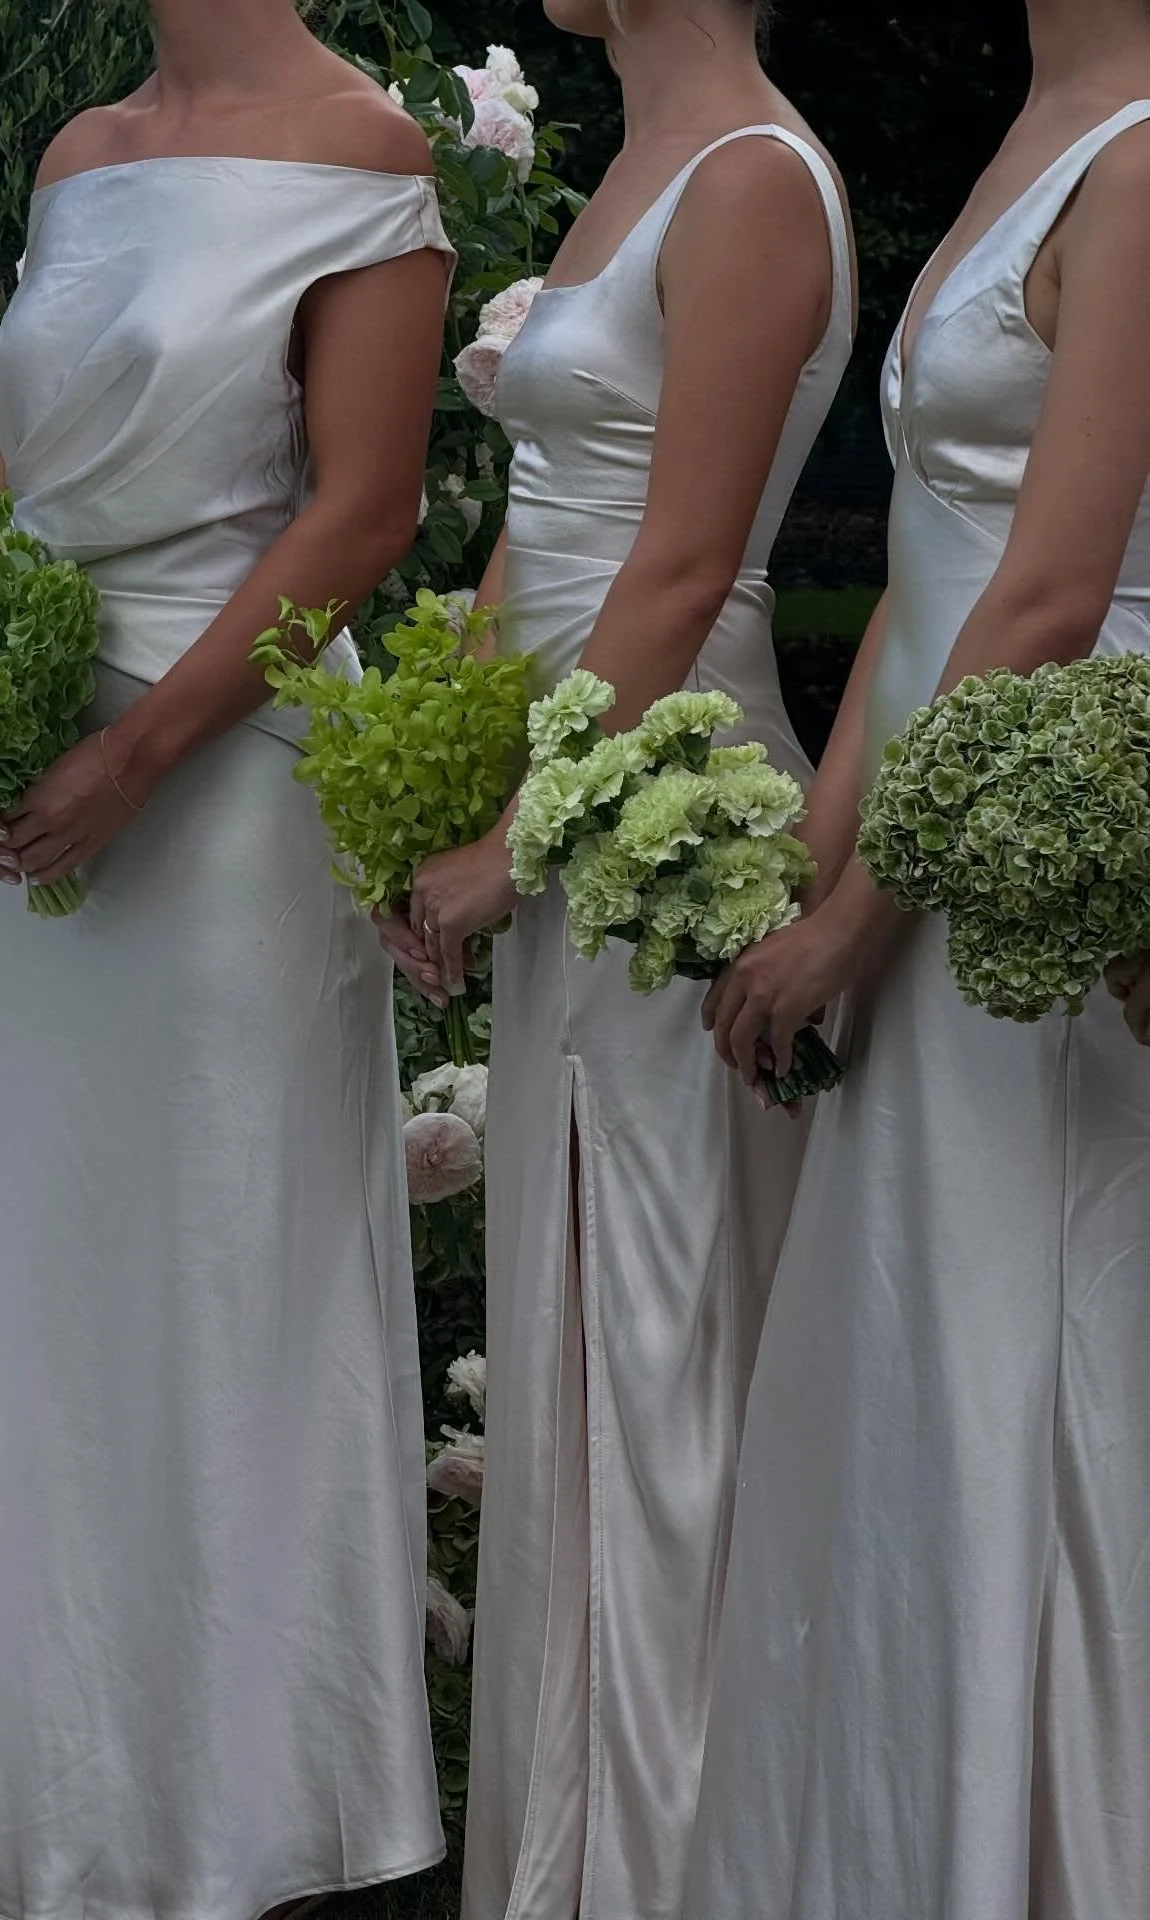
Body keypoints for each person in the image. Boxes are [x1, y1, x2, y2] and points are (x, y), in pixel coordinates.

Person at [0, 5, 454, 1918]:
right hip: (55, 775)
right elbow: (18, 482)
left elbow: (365, 511)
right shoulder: (80, 153)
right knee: (71, 1285)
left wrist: (135, 754)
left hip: (228, 785)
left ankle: (262, 1822)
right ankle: (66, 1812)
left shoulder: (366, 149)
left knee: (237, 1276)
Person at [379, 3, 854, 1915]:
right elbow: (546, 531)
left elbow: (681, 563)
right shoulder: (642, 167)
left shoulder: (753, 179)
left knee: (666, 1345)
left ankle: (675, 1860)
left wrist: (516, 840)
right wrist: (426, 776)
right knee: (577, 1323)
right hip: (569, 784)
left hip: (672, 809)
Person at [691, 2, 1150, 1913]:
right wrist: (804, 877)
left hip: (1054, 839)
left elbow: (1050, 592)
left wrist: (865, 916)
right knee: (912, 1354)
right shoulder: (1038, 129)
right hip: (940, 809)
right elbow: (923, 569)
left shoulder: (1144, 155)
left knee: (1029, 1351)